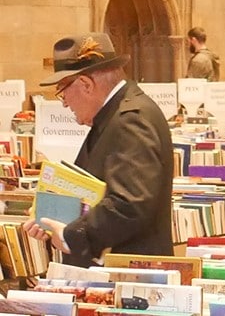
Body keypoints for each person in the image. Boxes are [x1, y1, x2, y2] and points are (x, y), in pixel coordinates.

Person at [24, 32, 174, 266]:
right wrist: (52, 221)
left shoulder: (130, 119)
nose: (63, 102)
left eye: (63, 90)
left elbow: (130, 204)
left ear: (85, 84)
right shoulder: (117, 114)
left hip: (128, 275)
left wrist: (70, 234)